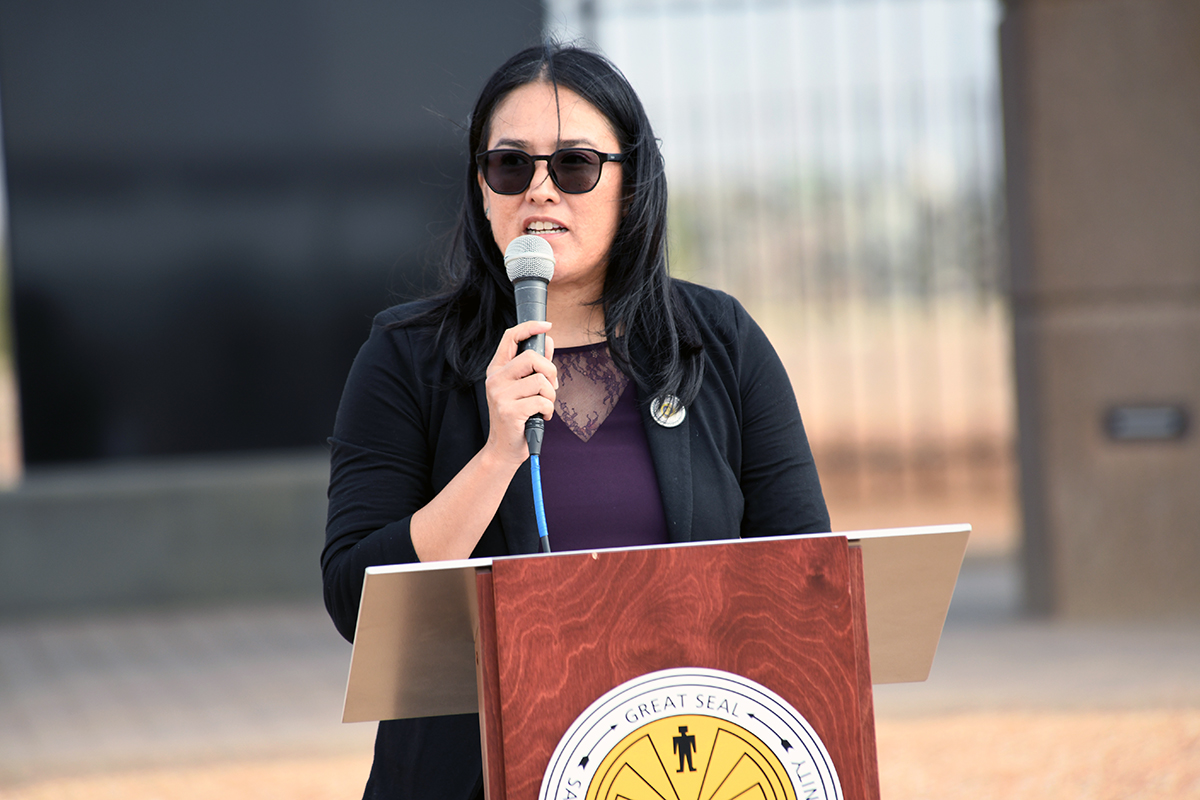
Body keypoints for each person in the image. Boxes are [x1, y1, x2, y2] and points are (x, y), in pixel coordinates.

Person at [321, 42, 830, 800]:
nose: (541, 192)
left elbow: (803, 582)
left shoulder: (719, 342)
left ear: (633, 182)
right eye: (510, 166)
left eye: (576, 166)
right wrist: (495, 457)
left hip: (681, 766)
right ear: (482, 188)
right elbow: (356, 598)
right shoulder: (406, 358)